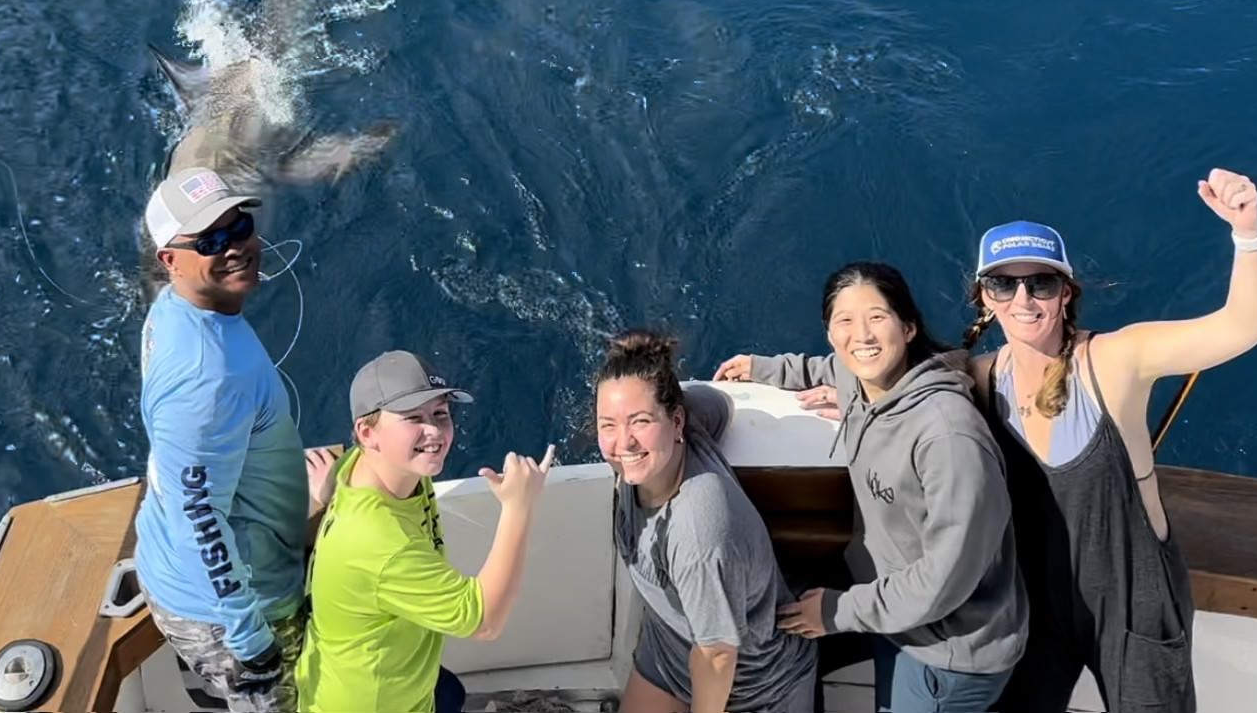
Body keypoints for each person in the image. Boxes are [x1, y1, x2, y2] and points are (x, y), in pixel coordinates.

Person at [946, 169, 1257, 712]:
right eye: (1005, 283)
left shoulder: (1117, 358)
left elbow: (1247, 325)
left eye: (1041, 283)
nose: (1023, 298)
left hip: (1136, 601)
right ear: (985, 296)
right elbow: (891, 373)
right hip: (1038, 601)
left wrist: (1247, 231)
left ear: (1066, 293)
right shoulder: (978, 378)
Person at [713, 263, 1027, 712]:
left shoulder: (947, 437)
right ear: (829, 333)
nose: (862, 335)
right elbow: (825, 368)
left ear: (909, 327)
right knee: (772, 645)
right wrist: (762, 368)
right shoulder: (863, 383)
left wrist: (838, 611)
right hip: (895, 612)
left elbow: (944, 581)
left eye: (877, 317)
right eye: (844, 321)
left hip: (949, 652)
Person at [132, 167, 308, 712]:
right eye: (209, 240)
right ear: (170, 260)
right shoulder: (210, 378)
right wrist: (251, 641)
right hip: (235, 609)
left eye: (239, 226)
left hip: (187, 571)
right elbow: (198, 517)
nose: (234, 246)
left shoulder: (174, 312)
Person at [297, 351, 551, 713]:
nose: (434, 432)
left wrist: (327, 496)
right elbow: (483, 621)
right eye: (413, 417)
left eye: (440, 413)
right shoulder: (380, 540)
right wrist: (518, 507)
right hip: (370, 703)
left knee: (451, 693)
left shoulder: (373, 470)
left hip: (378, 672)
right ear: (367, 433)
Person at [597, 331, 819, 713]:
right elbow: (719, 403)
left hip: (754, 689)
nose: (624, 443)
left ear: (675, 421)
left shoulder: (699, 532)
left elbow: (717, 656)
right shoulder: (677, 435)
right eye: (608, 425)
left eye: (641, 421)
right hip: (669, 651)